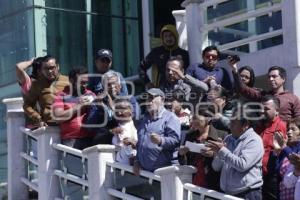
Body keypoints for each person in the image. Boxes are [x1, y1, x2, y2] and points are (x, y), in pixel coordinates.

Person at [206, 104, 264, 200]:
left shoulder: (254, 140)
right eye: (230, 121)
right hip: (227, 193)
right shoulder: (229, 138)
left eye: (234, 122)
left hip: (248, 194)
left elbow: (242, 165)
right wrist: (218, 152)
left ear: (245, 125)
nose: (230, 125)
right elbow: (216, 167)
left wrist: (222, 150)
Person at [230, 63, 300, 122]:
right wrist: (235, 71)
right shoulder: (263, 95)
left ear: (283, 79)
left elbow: (298, 119)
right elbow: (244, 89)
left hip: (284, 136)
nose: (271, 79)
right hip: (265, 135)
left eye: (274, 76)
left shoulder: (292, 98)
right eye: (269, 77)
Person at [133, 88, 181, 174]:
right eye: (147, 98)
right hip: (144, 173)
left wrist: (160, 140)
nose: (148, 101)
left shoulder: (171, 118)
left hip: (164, 173)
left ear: (162, 100)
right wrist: (137, 161)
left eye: (152, 98)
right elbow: (140, 144)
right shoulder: (144, 119)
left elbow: (176, 141)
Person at [178, 111, 227, 190]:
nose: (195, 122)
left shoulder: (222, 135)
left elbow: (226, 159)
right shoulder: (190, 135)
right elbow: (184, 161)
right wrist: (181, 154)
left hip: (212, 180)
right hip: (193, 177)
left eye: (199, 120)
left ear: (209, 121)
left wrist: (213, 155)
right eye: (194, 119)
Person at [52, 69, 95, 150]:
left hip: (90, 139)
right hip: (70, 140)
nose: (84, 85)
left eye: (86, 83)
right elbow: (58, 117)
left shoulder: (90, 94)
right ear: (71, 80)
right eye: (81, 82)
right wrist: (79, 106)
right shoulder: (61, 95)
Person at [254, 95, 287, 200]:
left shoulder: (281, 126)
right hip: (257, 175)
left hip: (272, 176)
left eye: (266, 109)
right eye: (261, 108)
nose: (262, 111)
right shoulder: (259, 126)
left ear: (276, 110)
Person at [23, 55, 69, 126]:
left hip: (67, 124)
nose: (49, 71)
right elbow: (27, 105)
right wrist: (37, 117)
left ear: (57, 67)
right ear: (41, 70)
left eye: (52, 68)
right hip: (49, 127)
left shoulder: (68, 81)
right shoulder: (37, 84)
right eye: (46, 69)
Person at [111, 99, 138, 165]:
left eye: (122, 110)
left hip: (132, 165)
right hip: (116, 164)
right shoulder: (112, 125)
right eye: (117, 111)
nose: (119, 113)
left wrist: (134, 143)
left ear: (130, 111)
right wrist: (112, 131)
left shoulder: (138, 126)